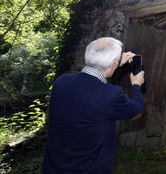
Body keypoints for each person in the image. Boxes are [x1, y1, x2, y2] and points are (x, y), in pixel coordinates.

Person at [42, 37, 145, 173]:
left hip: (53, 167)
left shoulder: (61, 82)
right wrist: (137, 85)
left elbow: (90, 90)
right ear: (113, 62)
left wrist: (114, 64)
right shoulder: (111, 95)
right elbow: (136, 111)